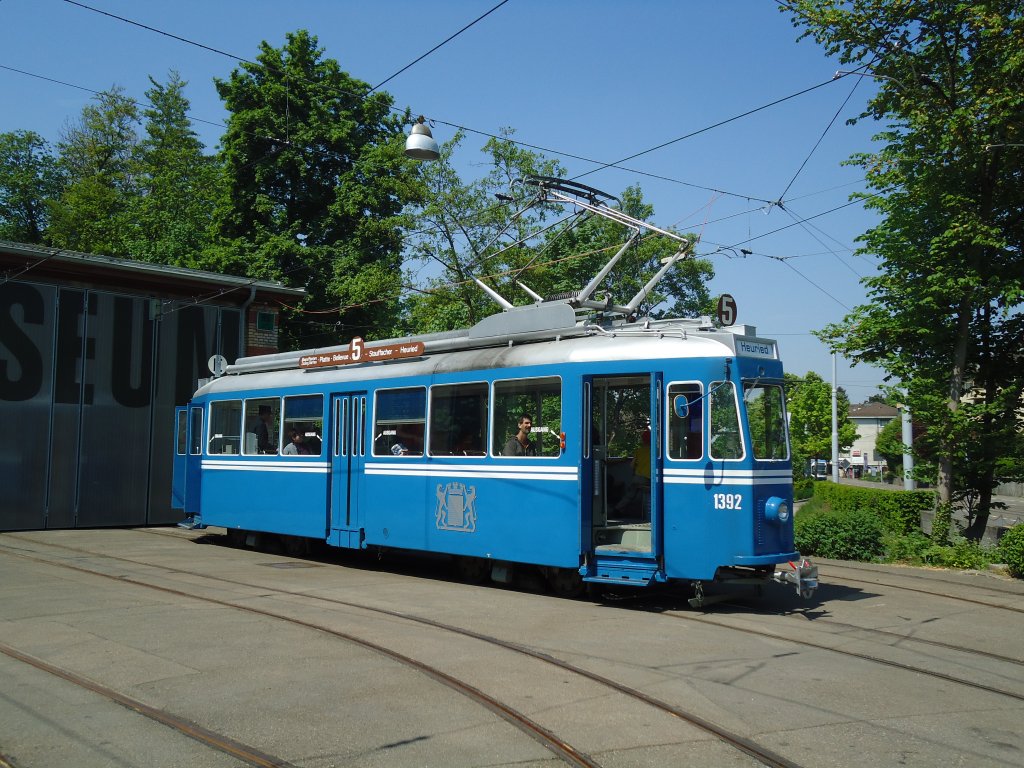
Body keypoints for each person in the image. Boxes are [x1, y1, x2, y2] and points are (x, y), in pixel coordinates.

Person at [614, 429, 651, 516]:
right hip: (649, 480)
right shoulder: (655, 451)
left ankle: (617, 509)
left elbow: (632, 465)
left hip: (637, 478)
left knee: (629, 495)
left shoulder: (639, 451)